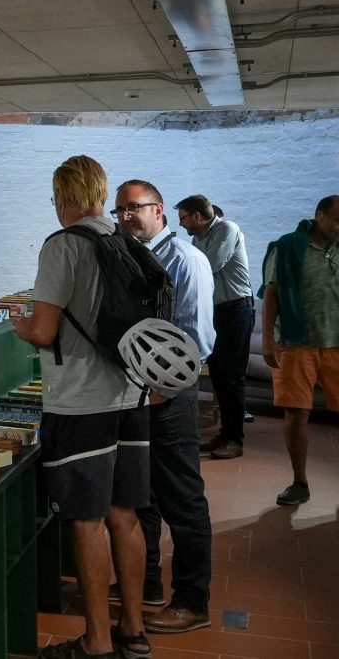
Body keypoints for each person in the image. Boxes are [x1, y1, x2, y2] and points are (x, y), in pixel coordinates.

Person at [14, 156, 152, 659]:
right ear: (100, 192)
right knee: (125, 514)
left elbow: (45, 330)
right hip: (131, 394)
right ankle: (134, 631)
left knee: (87, 519)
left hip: (79, 403)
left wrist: (20, 327)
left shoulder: (63, 246)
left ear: (61, 196)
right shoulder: (127, 241)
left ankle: (96, 642)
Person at [116, 181, 215, 635]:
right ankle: (149, 583)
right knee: (146, 494)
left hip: (170, 396)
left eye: (133, 209)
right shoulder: (132, 255)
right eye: (119, 211)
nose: (125, 217)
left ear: (159, 210)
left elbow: (197, 340)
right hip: (140, 394)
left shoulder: (187, 260)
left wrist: (164, 390)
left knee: (182, 498)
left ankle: (193, 602)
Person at [261, 195, 339, 505]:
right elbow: (272, 293)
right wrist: (268, 339)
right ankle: (299, 481)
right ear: (320, 215)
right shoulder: (288, 247)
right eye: (338, 221)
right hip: (297, 340)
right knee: (297, 413)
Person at [177, 194, 253, 459]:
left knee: (231, 377)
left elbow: (210, 265)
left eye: (184, 218)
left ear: (198, 216)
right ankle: (225, 434)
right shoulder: (197, 238)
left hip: (236, 309)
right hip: (215, 310)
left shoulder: (227, 229)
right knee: (219, 375)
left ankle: (235, 439)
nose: (182, 224)